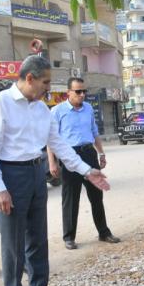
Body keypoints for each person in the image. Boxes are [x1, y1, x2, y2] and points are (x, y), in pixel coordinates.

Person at [0, 56, 110, 286]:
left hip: (35, 174)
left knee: (38, 240)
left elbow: (60, 146)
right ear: (29, 78)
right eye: (45, 82)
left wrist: (88, 171)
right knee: (13, 246)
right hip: (10, 176)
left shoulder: (41, 110)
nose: (49, 88)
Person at [48, 77, 121, 250]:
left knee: (97, 196)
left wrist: (101, 153)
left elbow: (94, 132)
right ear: (68, 92)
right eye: (78, 91)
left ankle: (104, 232)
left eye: (84, 92)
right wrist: (52, 162)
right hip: (69, 157)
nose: (82, 95)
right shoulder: (57, 111)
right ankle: (69, 237)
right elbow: (51, 139)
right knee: (70, 199)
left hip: (88, 153)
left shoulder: (88, 109)